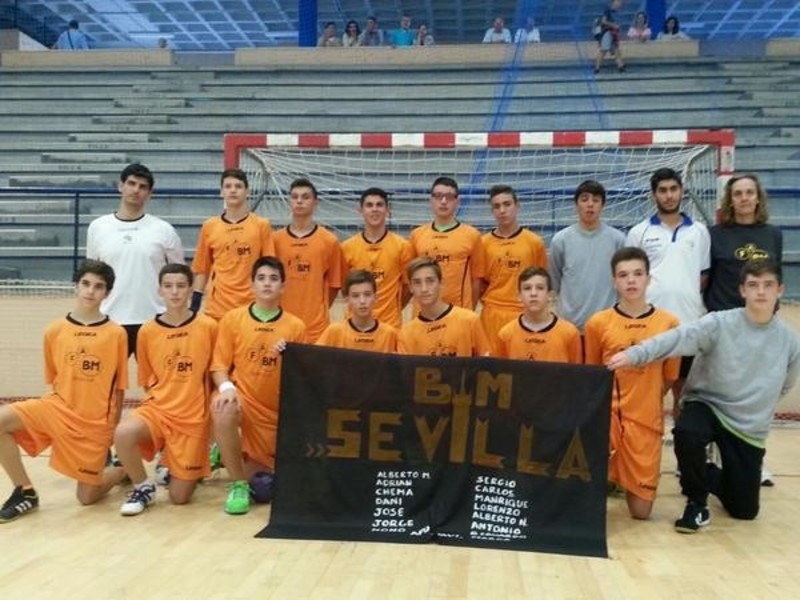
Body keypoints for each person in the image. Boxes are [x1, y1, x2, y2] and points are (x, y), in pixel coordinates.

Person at [606, 260, 799, 533]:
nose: (760, 292)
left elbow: (785, 385)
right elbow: (675, 338)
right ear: (742, 290)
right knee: (688, 431)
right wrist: (635, 354)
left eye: (768, 285)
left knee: (744, 511)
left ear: (779, 290)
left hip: (747, 426)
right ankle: (696, 503)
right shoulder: (719, 323)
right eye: (753, 285)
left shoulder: (789, 341)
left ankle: (707, 472)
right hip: (707, 403)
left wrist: (755, 406)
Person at [0, 260, 128, 522]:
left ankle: (122, 470)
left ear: (107, 293)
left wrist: (112, 430)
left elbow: (119, 388)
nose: (91, 291)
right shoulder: (54, 330)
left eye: (99, 286)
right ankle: (25, 492)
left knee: (87, 497)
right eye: (86, 284)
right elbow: (54, 378)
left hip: (93, 423)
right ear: (76, 286)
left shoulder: (116, 334)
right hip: (57, 408)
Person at [113, 264, 218, 516]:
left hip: (193, 418)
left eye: (181, 286)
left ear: (191, 289)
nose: (175, 292)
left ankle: (178, 460)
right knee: (123, 433)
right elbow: (148, 378)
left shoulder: (208, 327)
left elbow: (216, 372)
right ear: (159, 290)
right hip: (159, 410)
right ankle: (143, 486)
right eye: (168, 286)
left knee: (179, 498)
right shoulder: (147, 331)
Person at [585, 247, 680, 519]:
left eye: (638, 274)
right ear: (614, 281)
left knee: (641, 513)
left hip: (646, 422)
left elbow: (669, 378)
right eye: (623, 275)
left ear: (648, 279)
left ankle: (623, 478)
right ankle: (607, 476)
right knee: (588, 497)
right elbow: (593, 376)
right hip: (608, 420)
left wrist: (642, 399)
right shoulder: (597, 323)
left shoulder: (669, 323)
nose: (631, 281)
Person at [211, 256, 307, 515]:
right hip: (244, 401)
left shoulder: (296, 326)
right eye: (261, 278)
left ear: (283, 287)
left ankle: (227, 452)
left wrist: (290, 356)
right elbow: (218, 366)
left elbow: (302, 377)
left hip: (274, 414)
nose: (267, 284)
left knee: (264, 485)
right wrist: (227, 388)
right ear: (251, 284)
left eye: (274, 279)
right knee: (223, 408)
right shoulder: (232, 320)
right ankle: (237, 485)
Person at [705, 173, 783, 486]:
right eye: (738, 193)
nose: (744, 198)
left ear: (758, 197)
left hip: (761, 328)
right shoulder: (715, 234)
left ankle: (754, 460)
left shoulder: (773, 234)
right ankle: (713, 456)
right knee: (721, 395)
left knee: (756, 397)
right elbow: (707, 279)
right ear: (730, 199)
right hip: (725, 326)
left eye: (750, 192)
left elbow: (776, 277)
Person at [626, 167, 710, 421]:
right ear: (654, 195)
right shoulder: (638, 232)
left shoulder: (699, 231)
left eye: (674, 189)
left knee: (683, 395)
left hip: (689, 325)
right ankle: (646, 444)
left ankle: (682, 446)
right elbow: (630, 278)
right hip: (651, 327)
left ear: (682, 191)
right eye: (663, 190)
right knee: (649, 393)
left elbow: (703, 276)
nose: (669, 195)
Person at [86, 163, 184, 356]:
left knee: (159, 376)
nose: (136, 190)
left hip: (154, 320)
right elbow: (91, 275)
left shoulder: (164, 230)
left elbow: (180, 277)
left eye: (142, 187)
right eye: (131, 184)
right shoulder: (97, 227)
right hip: (109, 318)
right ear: (120, 186)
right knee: (106, 376)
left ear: (150, 193)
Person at [191, 168, 275, 321]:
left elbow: (269, 267)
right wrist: (194, 306)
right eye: (228, 186)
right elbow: (202, 269)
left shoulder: (261, 225)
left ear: (247, 192)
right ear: (221, 192)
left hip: (251, 307)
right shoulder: (209, 226)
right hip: (217, 308)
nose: (233, 190)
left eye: (238, 186)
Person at [548, 179, 626, 334]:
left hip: (607, 328)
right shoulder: (560, 240)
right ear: (576, 205)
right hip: (570, 328)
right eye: (584, 199)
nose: (590, 204)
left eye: (596, 200)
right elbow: (555, 282)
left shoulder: (618, 240)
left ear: (603, 205)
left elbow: (622, 284)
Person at [272, 178, 344, 343]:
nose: (299, 201)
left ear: (315, 203)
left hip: (316, 327)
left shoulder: (329, 241)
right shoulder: (275, 240)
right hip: (281, 324)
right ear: (289, 201)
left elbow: (334, 285)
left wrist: (317, 310)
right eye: (295, 197)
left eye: (305, 197)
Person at [479, 184, 547, 354]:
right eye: (497, 206)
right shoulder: (483, 243)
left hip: (524, 313)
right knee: (492, 365)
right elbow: (480, 282)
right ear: (492, 211)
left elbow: (541, 282)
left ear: (517, 206)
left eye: (507, 204)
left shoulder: (534, 242)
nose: (502, 210)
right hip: (492, 314)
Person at [409, 177, 486, 312]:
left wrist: (468, 312)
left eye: (449, 197)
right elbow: (410, 278)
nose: (443, 201)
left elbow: (477, 280)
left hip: (457, 314)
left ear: (457, 201)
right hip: (423, 314)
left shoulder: (472, 235)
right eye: (438, 196)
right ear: (431, 200)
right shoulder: (417, 235)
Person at [340, 187, 413, 329]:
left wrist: (393, 309)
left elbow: (407, 287)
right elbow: (345, 288)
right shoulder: (347, 247)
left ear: (387, 210)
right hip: (355, 326)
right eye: (369, 205)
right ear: (360, 210)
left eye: (379, 205)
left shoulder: (402, 246)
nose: (374, 209)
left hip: (389, 325)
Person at [398, 257, 491, 357]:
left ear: (441, 283)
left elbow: (486, 361)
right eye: (417, 282)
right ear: (411, 287)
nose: (424, 289)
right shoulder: (406, 334)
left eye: (430, 281)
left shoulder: (469, 321)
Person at [496, 267, 582, 364]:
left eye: (540, 288)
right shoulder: (506, 334)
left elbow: (576, 372)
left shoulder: (570, 333)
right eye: (527, 288)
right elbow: (500, 372)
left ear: (550, 295)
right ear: (519, 296)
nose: (533, 293)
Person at [316, 270, 398, 352]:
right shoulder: (334, 332)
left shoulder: (389, 334)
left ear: (375, 298)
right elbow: (315, 357)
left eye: (367, 294)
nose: (362, 301)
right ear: (347, 300)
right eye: (355, 296)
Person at [594, 0, 626, 73]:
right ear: (613, 2)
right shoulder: (607, 10)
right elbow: (603, 21)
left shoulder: (615, 12)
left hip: (613, 34)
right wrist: (613, 25)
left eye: (620, 3)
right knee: (603, 50)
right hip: (607, 33)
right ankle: (596, 68)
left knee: (616, 50)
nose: (619, 4)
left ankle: (621, 66)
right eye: (618, 2)